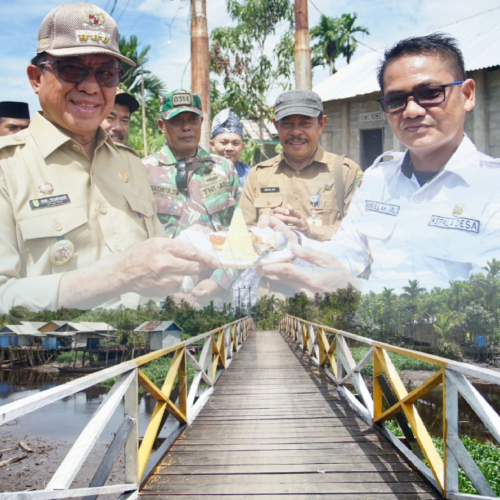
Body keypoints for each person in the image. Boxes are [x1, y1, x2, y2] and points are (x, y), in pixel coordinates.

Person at [0, 3, 217, 313]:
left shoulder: (130, 164)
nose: (90, 87)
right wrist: (118, 274)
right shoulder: (7, 168)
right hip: (51, 358)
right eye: (72, 69)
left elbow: (152, 272)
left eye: (105, 73)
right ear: (36, 78)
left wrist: (187, 252)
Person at [259, 33, 500, 295]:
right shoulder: (379, 178)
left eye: (430, 93)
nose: (411, 111)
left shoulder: (491, 189)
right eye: (396, 100)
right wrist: (294, 243)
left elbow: (486, 306)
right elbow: (348, 251)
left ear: (466, 94)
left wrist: (358, 291)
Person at [142, 90, 242, 302]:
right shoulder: (144, 172)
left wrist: (217, 281)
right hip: (161, 295)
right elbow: (136, 242)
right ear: (162, 126)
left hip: (219, 294)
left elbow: (241, 233)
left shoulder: (224, 169)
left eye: (192, 119)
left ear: (201, 122)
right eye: (177, 120)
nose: (186, 127)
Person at [240, 89, 362, 243]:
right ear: (276, 126)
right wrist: (266, 231)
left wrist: (309, 231)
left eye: (305, 123)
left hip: (325, 266)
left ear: (321, 124)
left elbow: (359, 231)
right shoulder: (258, 175)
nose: (296, 132)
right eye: (287, 124)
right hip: (274, 265)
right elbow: (244, 231)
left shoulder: (346, 172)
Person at [210, 108, 251, 186]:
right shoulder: (199, 174)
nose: (229, 148)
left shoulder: (252, 176)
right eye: (224, 142)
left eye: (235, 143)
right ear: (212, 145)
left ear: (242, 147)